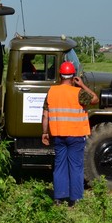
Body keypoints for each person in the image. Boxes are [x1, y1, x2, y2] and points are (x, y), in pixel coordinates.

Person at [41, 61, 99, 207]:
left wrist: (44, 133)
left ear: (60, 75)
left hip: (59, 135)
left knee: (60, 165)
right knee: (76, 166)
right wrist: (82, 85)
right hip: (76, 136)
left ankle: (58, 198)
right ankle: (75, 199)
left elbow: (45, 115)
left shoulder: (51, 92)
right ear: (73, 76)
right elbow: (95, 99)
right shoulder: (78, 93)